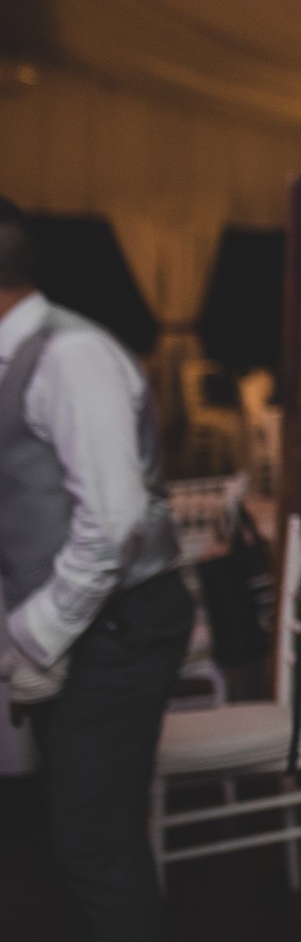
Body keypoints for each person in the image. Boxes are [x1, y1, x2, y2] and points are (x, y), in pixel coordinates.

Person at [0, 196, 193, 942]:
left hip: (118, 622)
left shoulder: (69, 355)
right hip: (86, 621)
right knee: (74, 835)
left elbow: (113, 521)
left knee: (92, 842)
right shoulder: (19, 354)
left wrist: (38, 634)